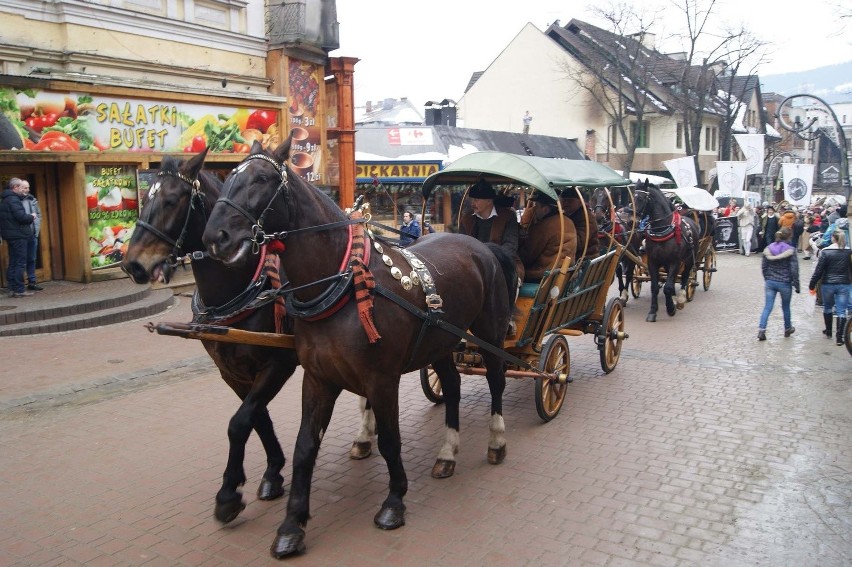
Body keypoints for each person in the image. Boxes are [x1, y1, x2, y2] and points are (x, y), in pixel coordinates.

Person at [459, 178, 523, 279]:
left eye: (476, 200)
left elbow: (510, 246)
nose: (472, 203)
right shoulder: (467, 219)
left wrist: (491, 260)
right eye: (472, 199)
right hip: (474, 265)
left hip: (505, 264)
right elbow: (462, 245)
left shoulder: (507, 216)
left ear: (489, 201)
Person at [518, 191, 577, 281]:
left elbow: (527, 255)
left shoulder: (544, 226)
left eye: (536, 206)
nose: (534, 209)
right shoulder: (568, 221)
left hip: (542, 276)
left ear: (545, 209)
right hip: (562, 274)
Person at [808, 229, 851, 345]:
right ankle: (840, 337)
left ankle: (828, 331)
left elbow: (819, 270)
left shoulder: (826, 252)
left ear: (833, 238)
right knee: (842, 311)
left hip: (828, 284)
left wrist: (812, 284)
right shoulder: (849, 252)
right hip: (844, 284)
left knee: (827, 307)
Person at [757, 227, 800, 341]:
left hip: (770, 282)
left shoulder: (769, 248)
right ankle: (787, 328)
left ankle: (762, 329)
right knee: (786, 307)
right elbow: (794, 269)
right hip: (785, 282)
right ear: (789, 236)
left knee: (767, 307)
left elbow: (764, 266)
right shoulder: (790, 250)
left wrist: (767, 277)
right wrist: (796, 284)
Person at [0, 177, 37, 297]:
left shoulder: (5, 199)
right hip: (19, 235)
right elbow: (21, 217)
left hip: (11, 235)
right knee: (20, 263)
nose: (23, 189)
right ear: (15, 187)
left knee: (13, 261)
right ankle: (19, 289)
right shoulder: (14, 200)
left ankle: (12, 288)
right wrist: (31, 216)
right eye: (21, 187)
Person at [559, 187, 599, 260]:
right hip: (571, 256)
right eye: (564, 200)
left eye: (570, 201)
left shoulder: (586, 218)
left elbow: (579, 243)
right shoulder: (565, 215)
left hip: (584, 258)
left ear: (580, 202)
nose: (566, 203)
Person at [20, 181, 44, 290]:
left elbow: (38, 214)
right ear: (19, 188)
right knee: (21, 260)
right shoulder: (16, 202)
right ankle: (20, 283)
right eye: (25, 188)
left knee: (32, 259)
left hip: (32, 234)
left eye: (28, 187)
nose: (27, 190)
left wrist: (36, 229)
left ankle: (32, 282)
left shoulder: (32, 200)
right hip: (21, 235)